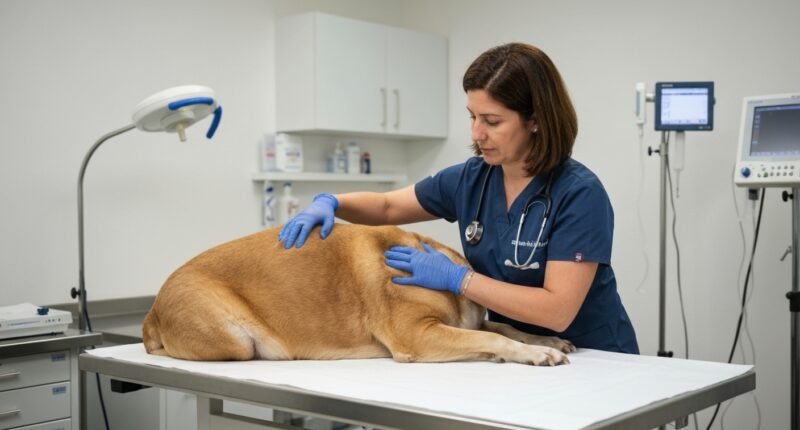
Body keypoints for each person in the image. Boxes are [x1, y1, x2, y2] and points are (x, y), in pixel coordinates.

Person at [278, 42, 639, 354]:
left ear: (536, 120)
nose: (477, 133)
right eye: (472, 117)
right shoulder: (472, 178)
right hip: (519, 352)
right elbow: (388, 206)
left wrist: (459, 280)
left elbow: (556, 311)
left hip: (594, 357)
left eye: (492, 121)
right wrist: (333, 202)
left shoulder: (578, 194)